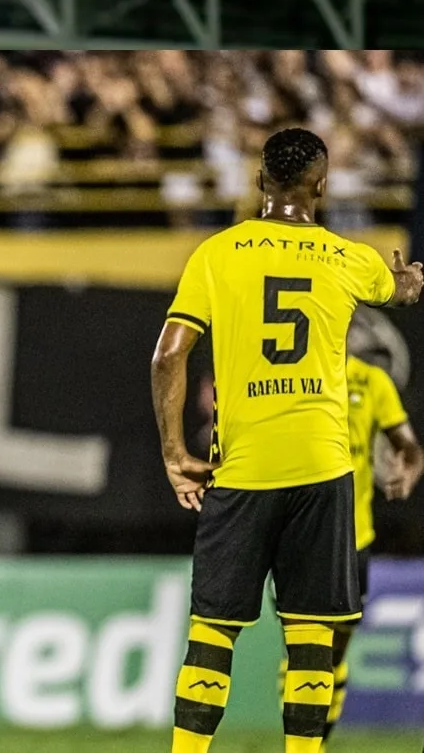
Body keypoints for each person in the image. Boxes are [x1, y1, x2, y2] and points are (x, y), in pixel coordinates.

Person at [150, 127, 424, 753]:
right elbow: (402, 290)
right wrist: (409, 281)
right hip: (322, 469)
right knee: (311, 637)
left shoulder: (217, 254)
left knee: (212, 635)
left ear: (259, 181)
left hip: (243, 469)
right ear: (321, 185)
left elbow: (169, 355)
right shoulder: (348, 258)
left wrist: (174, 453)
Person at [307, 342, 423, 746]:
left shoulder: (371, 381)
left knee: (335, 648)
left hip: (353, 537)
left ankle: (317, 738)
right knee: (303, 644)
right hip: (300, 538)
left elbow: (408, 444)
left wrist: (409, 468)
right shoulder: (293, 378)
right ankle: (302, 744)